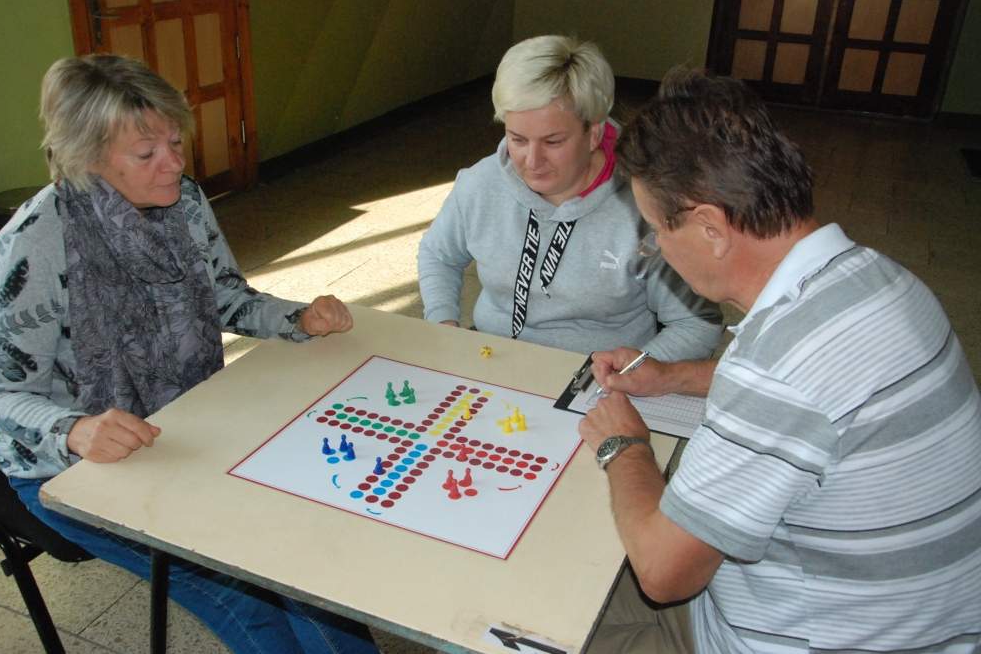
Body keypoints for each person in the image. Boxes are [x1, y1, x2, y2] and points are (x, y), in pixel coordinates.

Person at [0, 54, 377, 654]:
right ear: (88, 157)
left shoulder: (183, 201)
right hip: (71, 468)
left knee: (306, 573)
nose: (175, 163)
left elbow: (224, 296)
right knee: (246, 603)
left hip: (187, 423)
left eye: (174, 141)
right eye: (147, 154)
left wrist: (297, 318)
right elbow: (1, 395)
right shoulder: (36, 242)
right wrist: (75, 429)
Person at [579, 68, 981, 653]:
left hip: (797, 638)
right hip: (920, 624)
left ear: (710, 228)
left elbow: (664, 575)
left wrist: (626, 447)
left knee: (536, 614)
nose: (657, 250)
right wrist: (673, 376)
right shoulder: (881, 277)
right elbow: (821, 403)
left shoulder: (774, 365)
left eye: (655, 231)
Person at [417, 35, 721, 360]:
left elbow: (697, 325)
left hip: (597, 376)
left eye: (553, 141)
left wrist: (626, 373)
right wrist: (441, 322)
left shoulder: (646, 204)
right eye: (517, 139)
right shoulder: (480, 184)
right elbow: (438, 253)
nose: (532, 162)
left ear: (594, 133)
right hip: (494, 358)